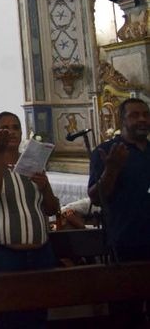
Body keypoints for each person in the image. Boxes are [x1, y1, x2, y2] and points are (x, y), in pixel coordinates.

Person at [0, 111, 59, 329]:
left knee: (39, 315)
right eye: (5, 127)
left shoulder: (33, 160)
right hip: (1, 254)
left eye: (16, 127)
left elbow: (51, 208)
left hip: (40, 252)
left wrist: (45, 186)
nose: (11, 132)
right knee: (9, 317)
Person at [89, 97, 150, 325]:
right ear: (122, 119)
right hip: (125, 243)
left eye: (145, 114)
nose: (142, 119)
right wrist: (112, 168)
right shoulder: (105, 152)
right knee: (127, 314)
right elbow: (96, 198)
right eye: (135, 115)